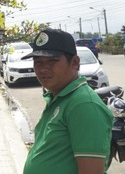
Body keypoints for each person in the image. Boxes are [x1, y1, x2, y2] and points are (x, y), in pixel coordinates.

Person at [21, 29, 112, 174]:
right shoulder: (59, 97)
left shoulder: (84, 105)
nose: (44, 69)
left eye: (52, 61)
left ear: (74, 63)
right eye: (38, 62)